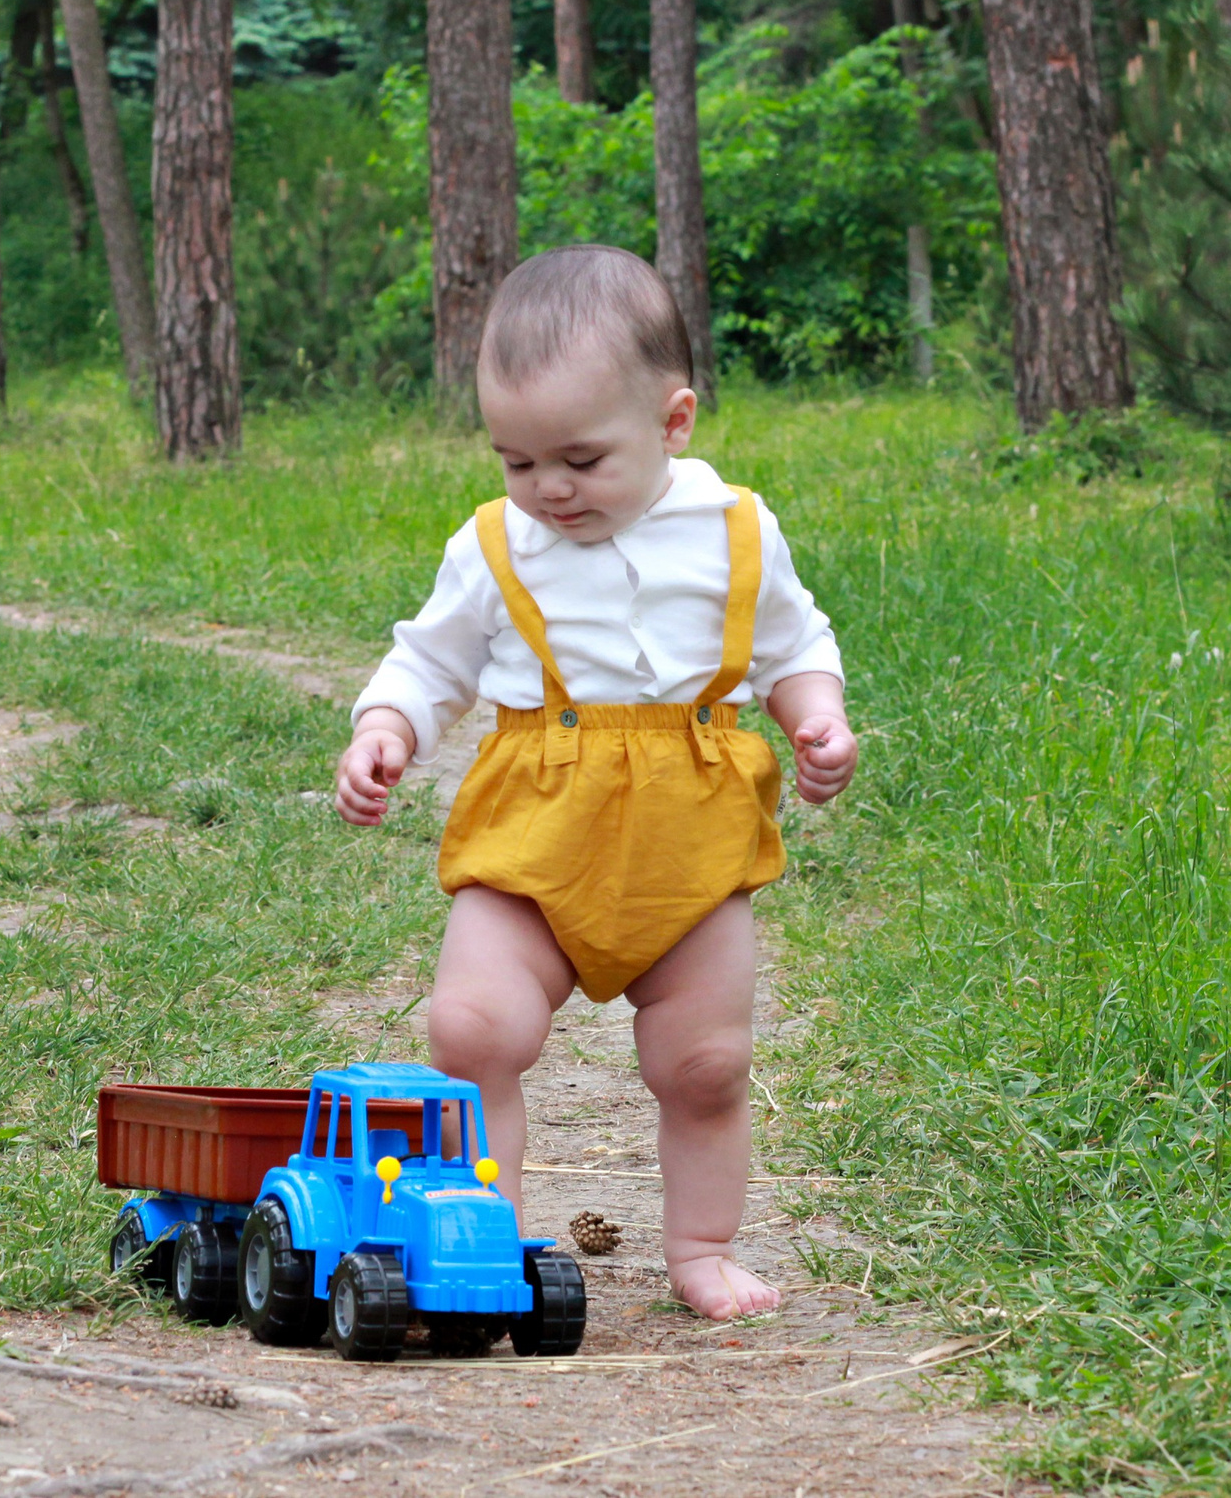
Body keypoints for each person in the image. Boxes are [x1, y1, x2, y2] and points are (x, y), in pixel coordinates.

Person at [335, 244, 857, 1320]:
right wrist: (386, 725)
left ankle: (703, 1248)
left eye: (578, 458)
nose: (548, 490)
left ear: (673, 423)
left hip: (690, 847)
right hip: (534, 836)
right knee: (472, 1030)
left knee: (704, 1062)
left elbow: (795, 644)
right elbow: (428, 660)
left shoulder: (737, 532)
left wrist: (817, 719)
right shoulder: (494, 547)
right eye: (516, 463)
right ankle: (482, 1244)